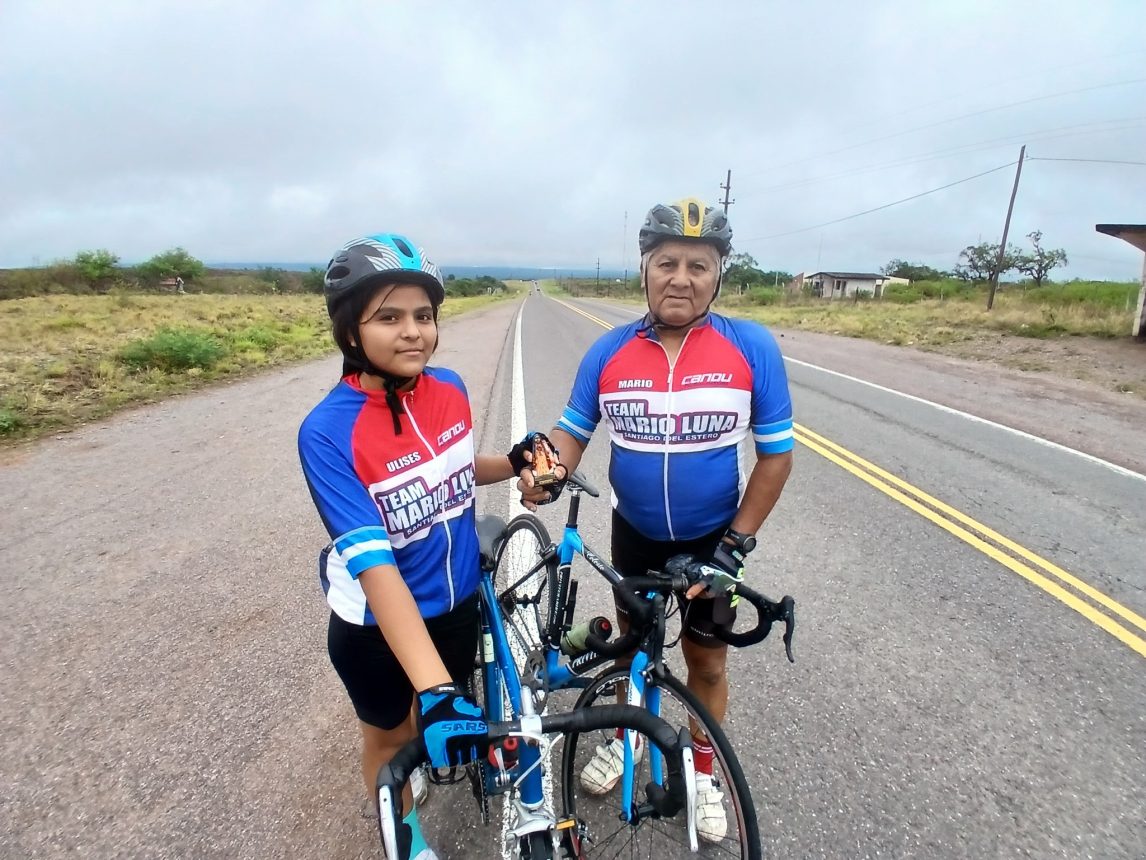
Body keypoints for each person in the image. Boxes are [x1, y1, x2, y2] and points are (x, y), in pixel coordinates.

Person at [518, 198, 794, 843]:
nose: (681, 278)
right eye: (666, 262)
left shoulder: (749, 345)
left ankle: (700, 766)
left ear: (718, 274)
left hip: (713, 539)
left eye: (699, 265)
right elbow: (571, 435)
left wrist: (735, 546)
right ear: (644, 269)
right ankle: (628, 738)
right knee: (629, 654)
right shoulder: (609, 352)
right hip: (635, 532)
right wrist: (546, 471)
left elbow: (776, 458)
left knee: (707, 662)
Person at [298, 233, 537, 860]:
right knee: (393, 737)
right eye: (389, 317)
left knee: (434, 728)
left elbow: (454, 467)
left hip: (455, 605)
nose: (413, 333)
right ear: (351, 333)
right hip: (376, 626)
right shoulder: (327, 433)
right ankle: (407, 844)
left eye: (424, 316)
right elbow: (377, 571)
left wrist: (511, 463)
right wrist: (434, 689)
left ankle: (426, 734)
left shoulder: (450, 388)